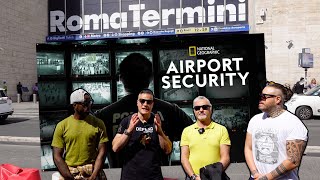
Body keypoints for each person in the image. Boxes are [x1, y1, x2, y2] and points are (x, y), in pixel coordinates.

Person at [94, 53, 193, 167]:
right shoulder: (171, 111)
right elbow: (197, 139)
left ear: (120, 78)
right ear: (151, 78)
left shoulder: (103, 115)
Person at [244, 82, 308, 180]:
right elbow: (249, 148)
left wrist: (266, 178)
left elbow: (293, 161)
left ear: (277, 99)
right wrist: (255, 173)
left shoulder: (294, 123)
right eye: (260, 95)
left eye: (264, 96)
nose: (260, 98)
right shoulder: (255, 120)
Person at [112, 89, 172, 180]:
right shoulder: (127, 121)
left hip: (153, 176)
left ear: (152, 104)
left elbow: (167, 150)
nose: (145, 104)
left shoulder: (158, 121)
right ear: (137, 102)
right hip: (130, 176)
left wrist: (160, 131)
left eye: (149, 102)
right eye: (142, 101)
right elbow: (115, 148)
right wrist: (129, 130)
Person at [51, 88, 108, 180]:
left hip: (92, 169)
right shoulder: (62, 126)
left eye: (90, 102)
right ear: (74, 105)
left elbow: (102, 152)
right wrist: (69, 177)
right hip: (70, 171)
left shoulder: (98, 123)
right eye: (85, 103)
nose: (89, 106)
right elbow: (57, 156)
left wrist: (94, 175)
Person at [180, 96, 231, 180]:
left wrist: (212, 175)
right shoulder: (186, 131)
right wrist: (193, 177)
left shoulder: (221, 129)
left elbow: (225, 157)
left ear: (210, 109)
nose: (201, 110)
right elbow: (184, 158)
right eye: (197, 108)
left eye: (204, 107)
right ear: (194, 111)